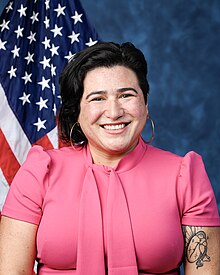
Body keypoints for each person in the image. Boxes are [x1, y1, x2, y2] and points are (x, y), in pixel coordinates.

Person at [0, 42, 219, 275]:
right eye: (97, 98)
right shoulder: (40, 171)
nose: (114, 112)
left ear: (145, 104)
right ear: (77, 111)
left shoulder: (185, 175)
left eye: (126, 95)